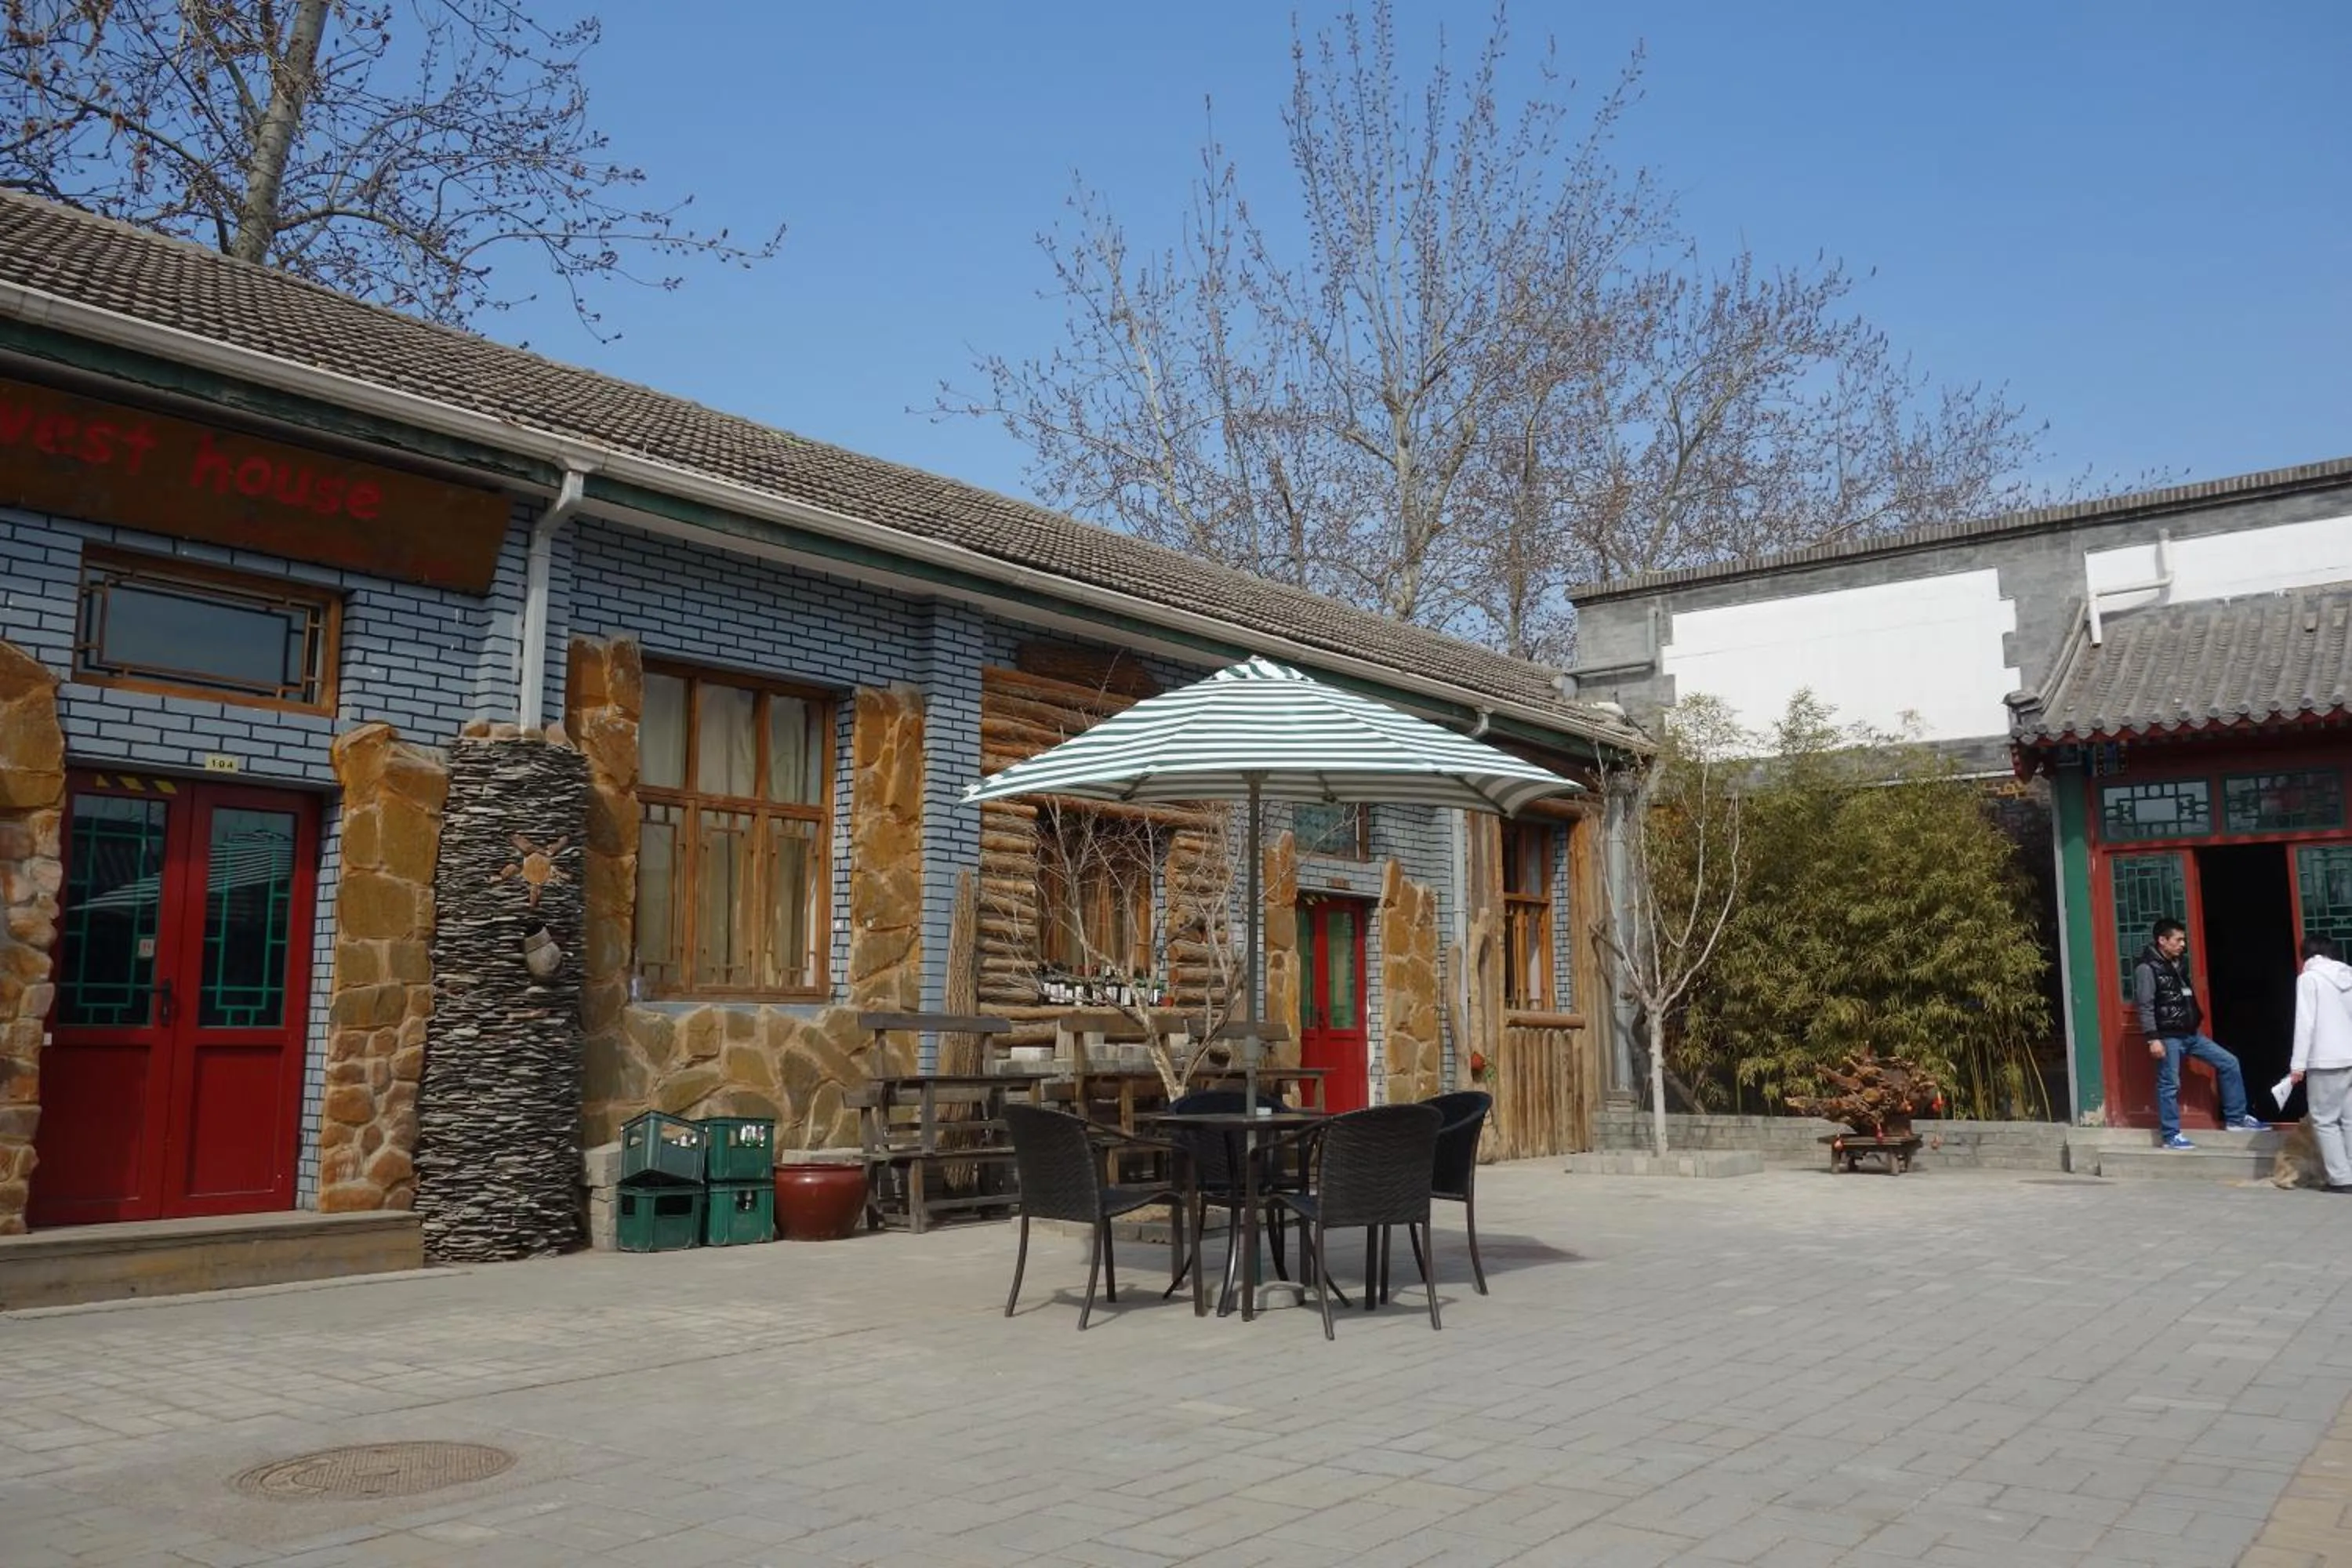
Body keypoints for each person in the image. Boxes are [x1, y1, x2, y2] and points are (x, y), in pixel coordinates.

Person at [2133, 916, 2267, 1149]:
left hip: (2191, 1034)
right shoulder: (2147, 969)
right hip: (2167, 1036)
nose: (2183, 944)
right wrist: (2153, 1039)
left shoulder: (2177, 964)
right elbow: (2145, 1006)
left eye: (2183, 940)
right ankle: (2171, 1135)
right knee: (2169, 1083)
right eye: (2178, 940)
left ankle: (2236, 1119)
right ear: (2162, 940)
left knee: (2229, 1063)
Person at [2289, 934, 2352, 1191]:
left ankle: (2341, 1178)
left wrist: (2298, 1065)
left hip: (2325, 1059)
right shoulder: (2347, 976)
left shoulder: (2309, 979)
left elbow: (2305, 1023)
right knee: (2349, 1119)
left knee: (2325, 1120)